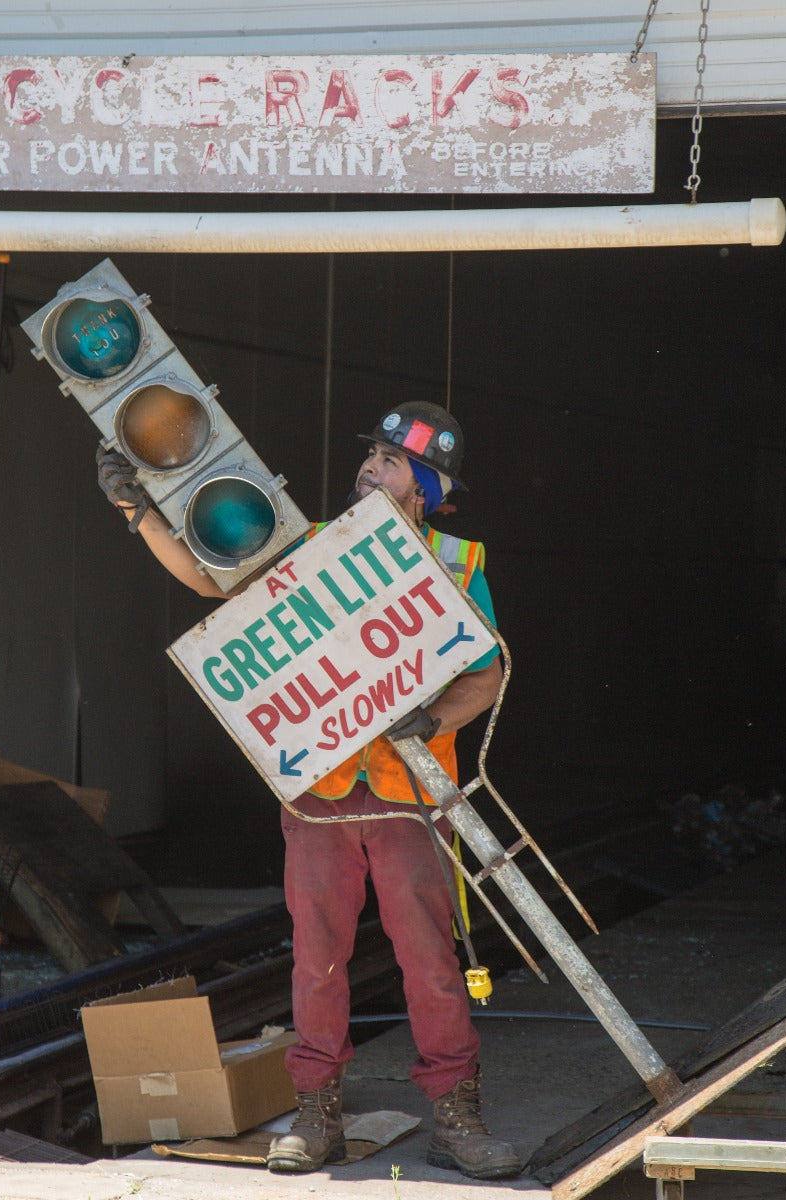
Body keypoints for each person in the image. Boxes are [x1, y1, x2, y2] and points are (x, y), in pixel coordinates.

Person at [96, 400, 521, 1181]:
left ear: (424, 490)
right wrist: (138, 511)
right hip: (319, 794)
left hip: (406, 799)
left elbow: (485, 674)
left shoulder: (455, 564)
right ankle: (314, 1113)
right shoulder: (314, 548)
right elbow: (209, 579)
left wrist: (427, 724)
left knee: (428, 959)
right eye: (370, 456)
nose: (369, 468)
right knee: (315, 960)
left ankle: (457, 1118)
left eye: (390, 463)